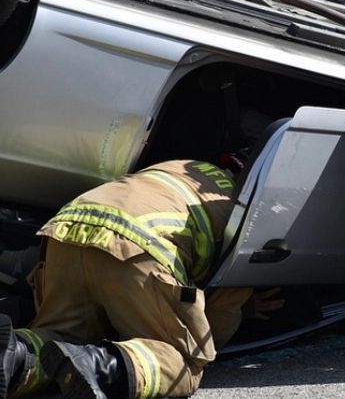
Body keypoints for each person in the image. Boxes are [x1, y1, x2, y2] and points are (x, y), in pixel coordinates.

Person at [1, 160, 283, 399]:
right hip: (134, 245)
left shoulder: (188, 167)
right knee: (183, 364)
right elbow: (212, 332)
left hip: (67, 231)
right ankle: (98, 364)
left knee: (61, 337)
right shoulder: (247, 212)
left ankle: (13, 356)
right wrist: (240, 309)